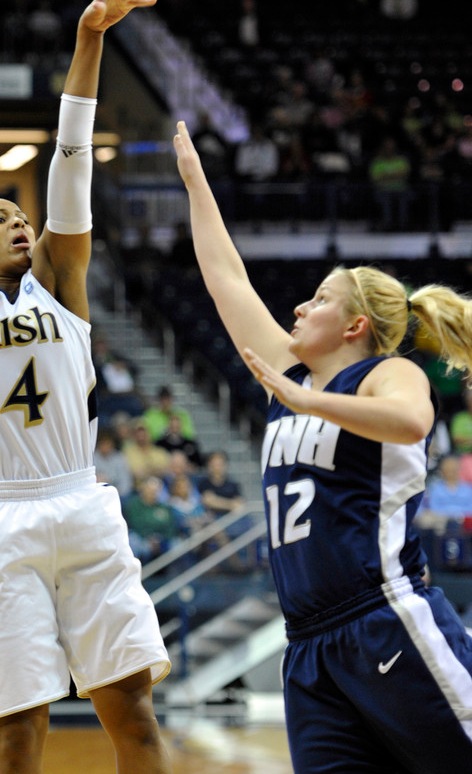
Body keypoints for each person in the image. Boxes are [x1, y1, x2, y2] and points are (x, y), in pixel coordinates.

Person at [0, 0, 171, 774]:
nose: (17, 221)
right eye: (0, 219)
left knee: (132, 715)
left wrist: (88, 40)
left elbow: (71, 160)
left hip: (81, 502)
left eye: (21, 212)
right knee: (19, 734)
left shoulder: (64, 283)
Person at [173, 117, 472, 773]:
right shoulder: (294, 375)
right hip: (307, 648)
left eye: (318, 300)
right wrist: (195, 182)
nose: (300, 310)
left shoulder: (387, 374)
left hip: (384, 620)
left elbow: (410, 423)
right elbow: (227, 279)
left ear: (356, 324)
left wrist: (307, 400)